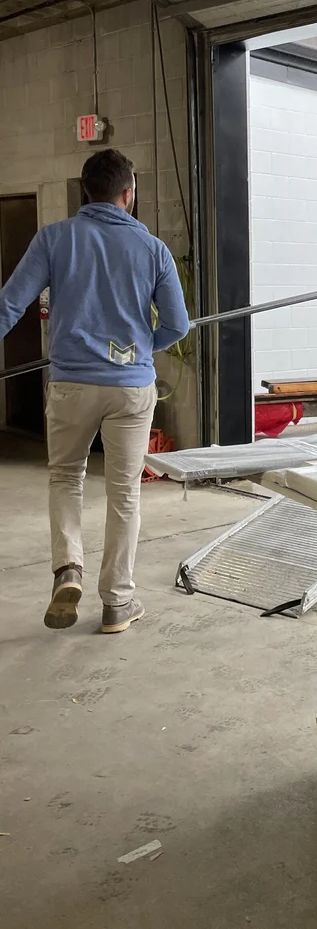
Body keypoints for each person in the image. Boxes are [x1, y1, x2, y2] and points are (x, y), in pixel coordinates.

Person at [0, 149, 189, 633]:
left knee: (66, 477)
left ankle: (68, 569)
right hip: (130, 388)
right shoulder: (152, 249)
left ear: (87, 191)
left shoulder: (54, 239)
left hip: (71, 384)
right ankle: (117, 603)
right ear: (129, 194)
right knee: (124, 492)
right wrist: (142, 348)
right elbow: (178, 325)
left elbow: (9, 305)